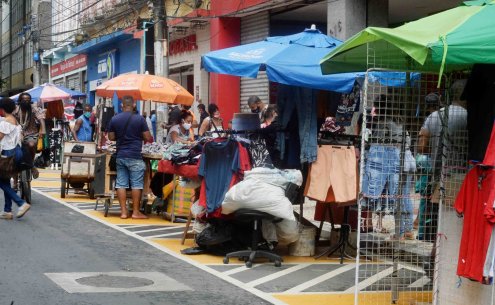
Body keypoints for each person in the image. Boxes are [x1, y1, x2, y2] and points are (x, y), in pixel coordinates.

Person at [108, 96, 152, 219]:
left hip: (121, 155)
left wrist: (122, 136)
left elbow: (111, 137)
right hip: (134, 156)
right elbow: (148, 137)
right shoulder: (140, 119)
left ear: (122, 105)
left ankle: (123, 212)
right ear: (133, 105)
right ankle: (136, 212)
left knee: (121, 183)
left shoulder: (114, 119)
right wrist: (137, 135)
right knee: (136, 184)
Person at [0, 98, 31, 219]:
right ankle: (7, 211)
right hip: (17, 153)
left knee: (2, 181)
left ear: (2, 110)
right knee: (5, 181)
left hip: (8, 154)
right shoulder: (16, 121)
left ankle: (21, 203)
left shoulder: (5, 123)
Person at [13, 92, 46, 161]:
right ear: (20, 101)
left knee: (31, 145)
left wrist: (43, 129)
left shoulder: (33, 108)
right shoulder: (15, 109)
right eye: (24, 100)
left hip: (31, 133)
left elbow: (41, 118)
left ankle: (31, 163)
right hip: (17, 132)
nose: (26, 102)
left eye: (28, 100)